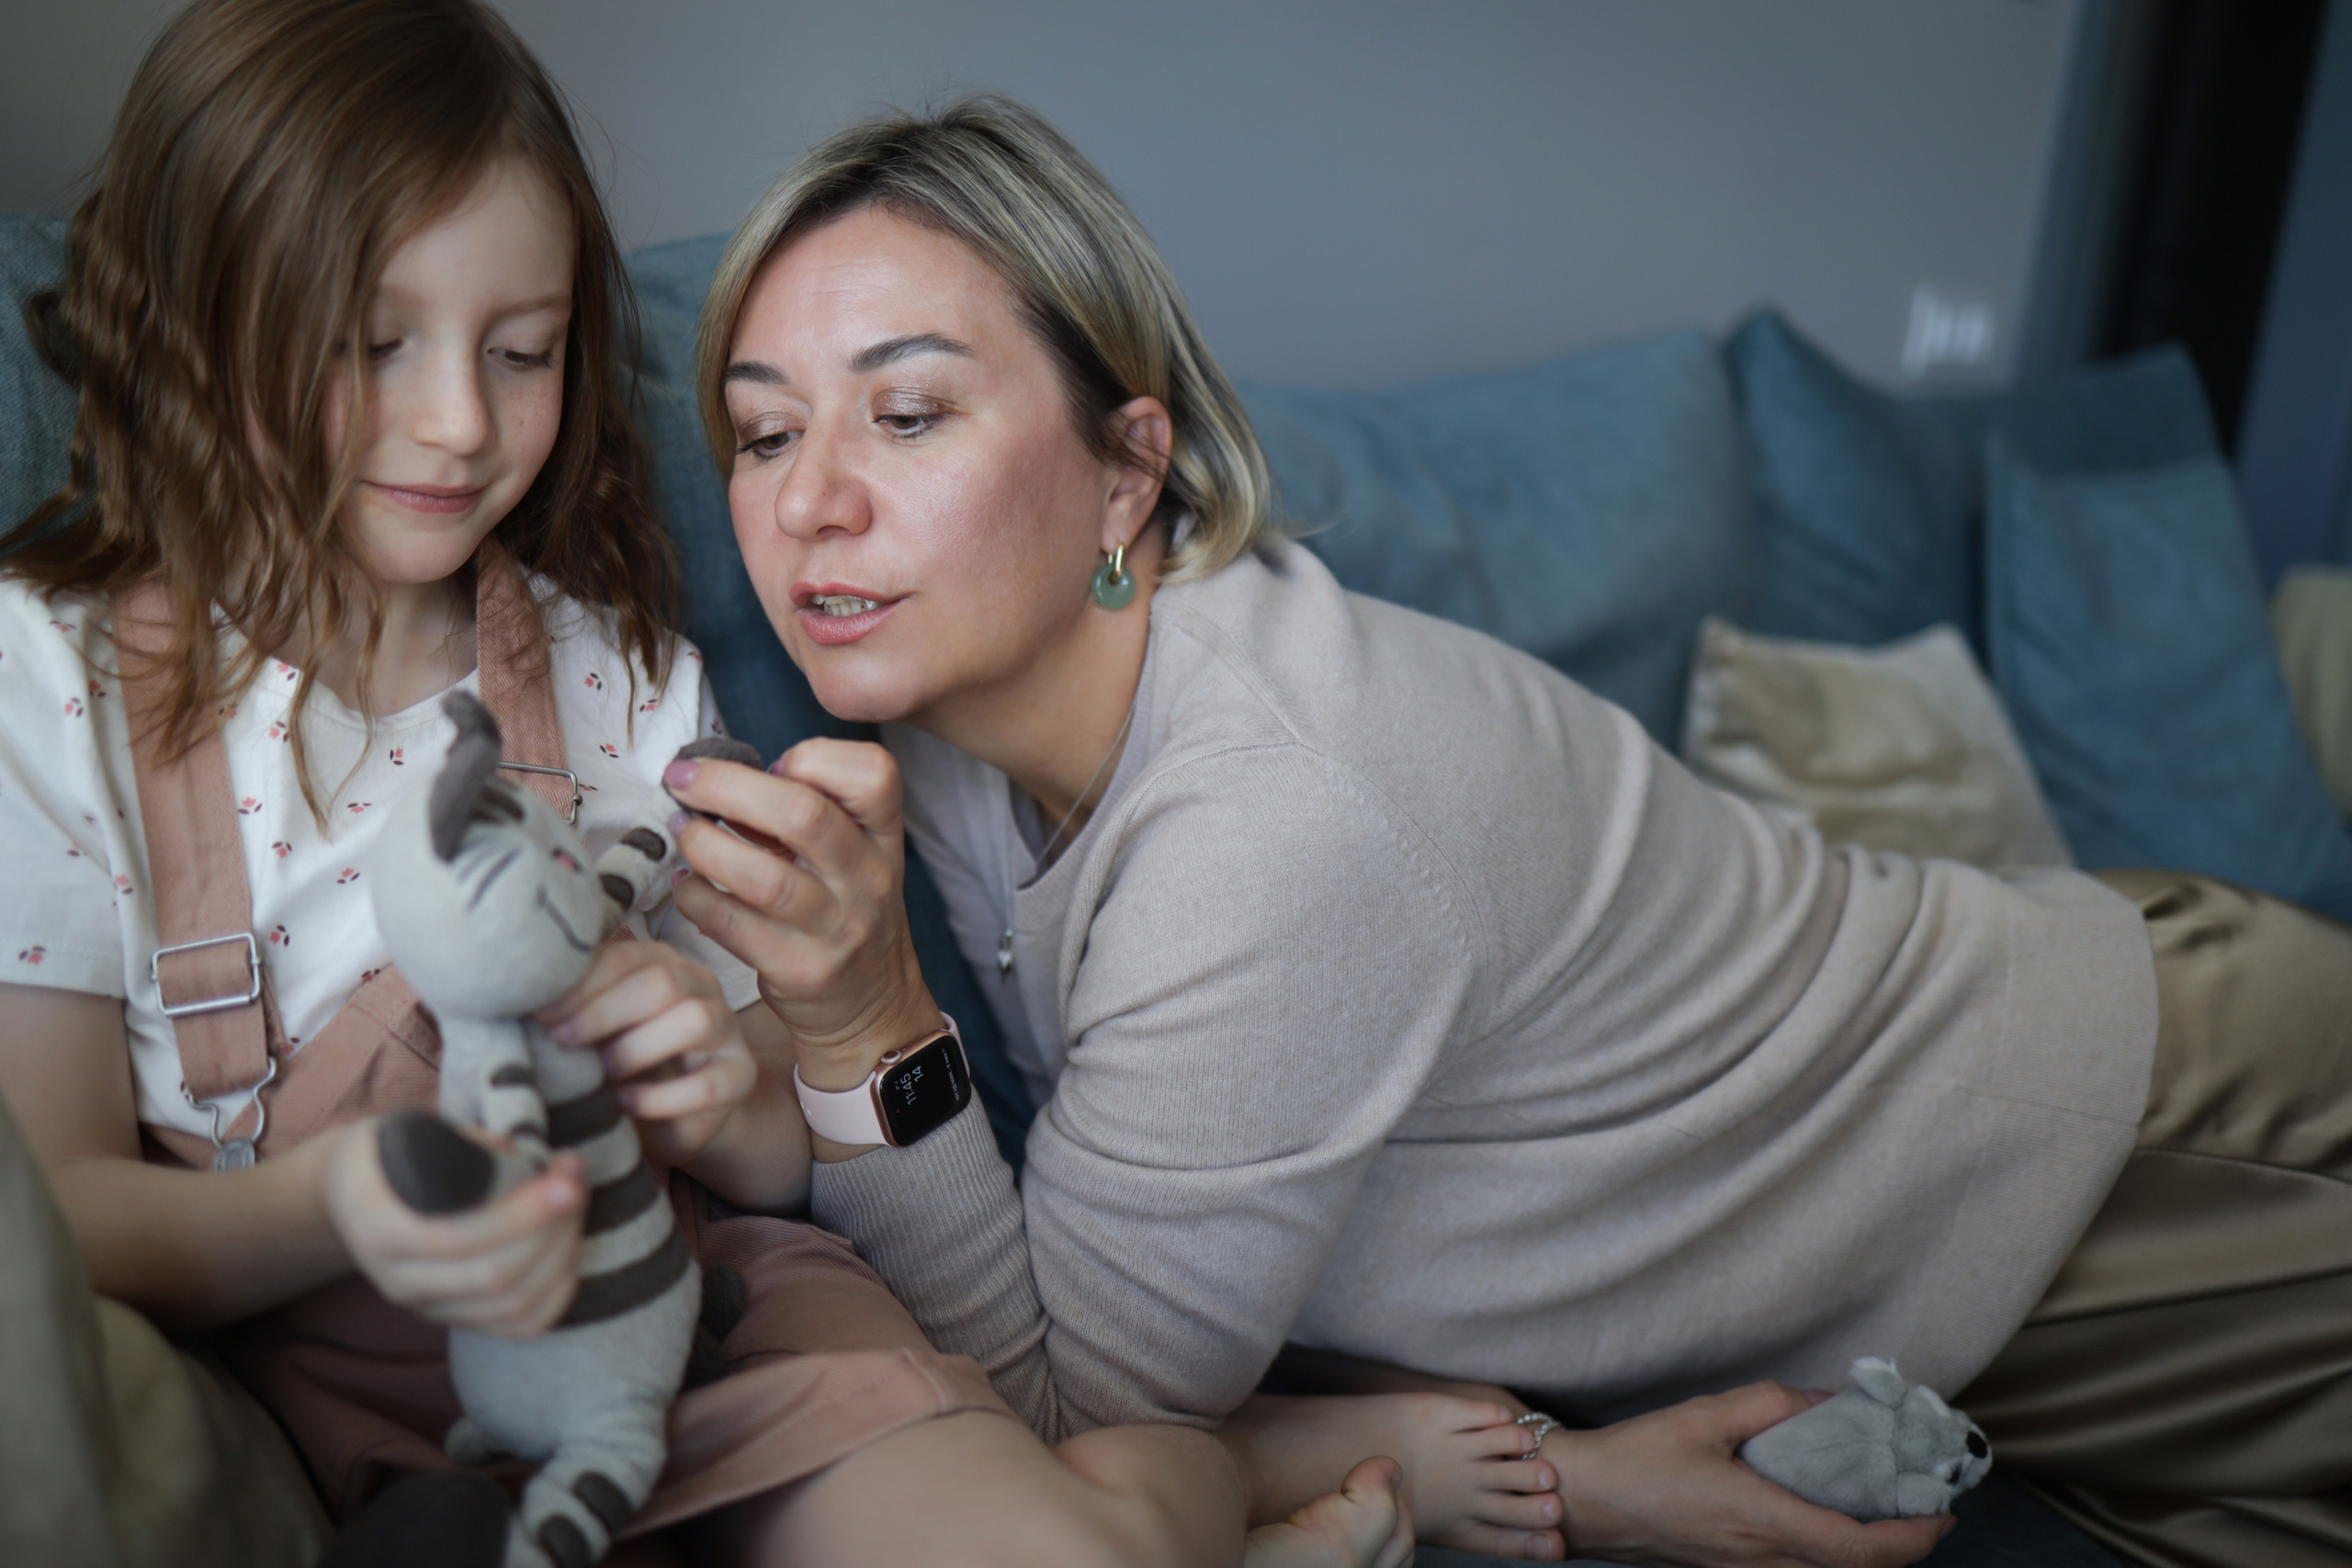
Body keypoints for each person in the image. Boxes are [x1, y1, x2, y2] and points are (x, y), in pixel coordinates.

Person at [667, 94, 2352, 1568]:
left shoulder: (1272, 817)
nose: (809, 499)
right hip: (1964, 1237)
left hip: (2136, 1150)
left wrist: (869, 1024)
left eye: (906, 413)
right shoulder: (960, 737)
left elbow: (1053, 1423)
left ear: (1127, 473)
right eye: (761, 431)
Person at [0, 8, 1425, 1565]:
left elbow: (770, 1151)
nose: (463, 421)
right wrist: (342, 1204)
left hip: (700, 1330)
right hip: (319, 1394)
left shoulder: (611, 675)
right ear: (197, 318)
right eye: (371, 341)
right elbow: (56, 1208)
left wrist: (719, 1081)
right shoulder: (48, 680)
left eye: (522, 351)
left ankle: (1171, 1495)